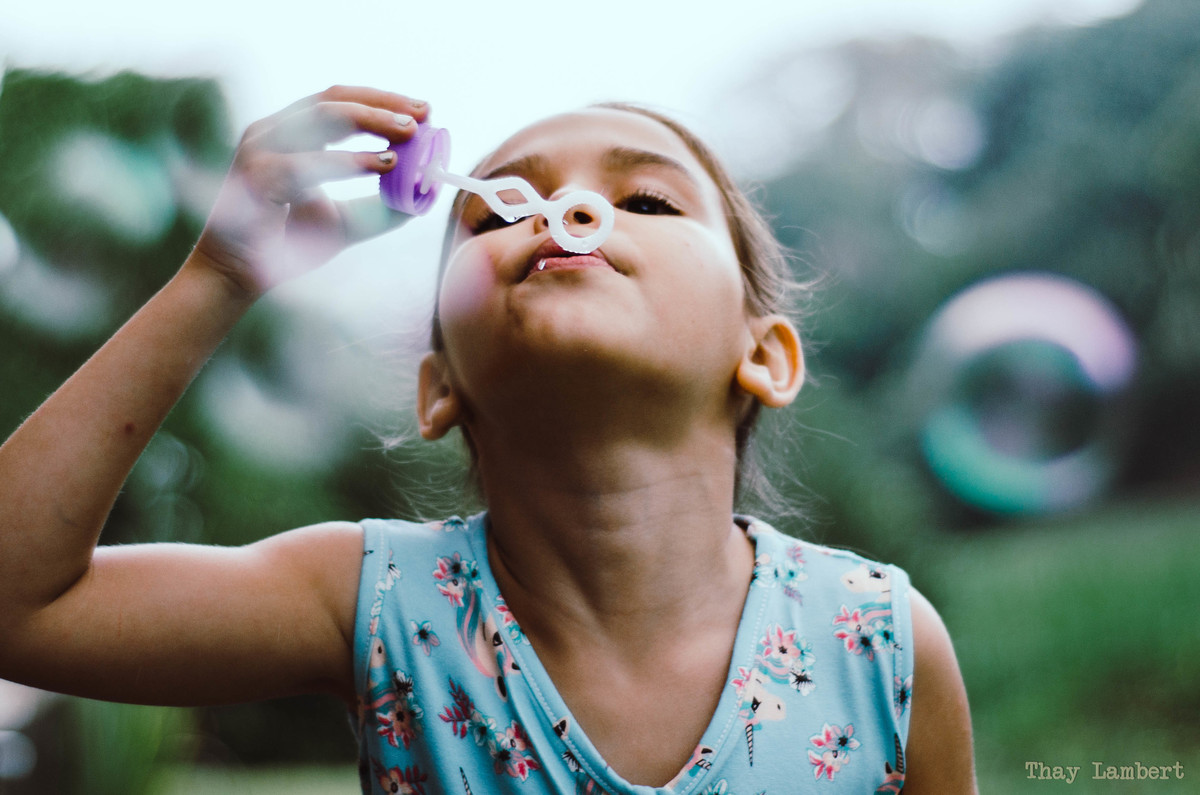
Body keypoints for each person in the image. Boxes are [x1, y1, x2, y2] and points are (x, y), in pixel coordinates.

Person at [0, 85, 977, 793]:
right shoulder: (374, 604)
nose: (568, 212)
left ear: (762, 354)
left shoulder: (884, 645)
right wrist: (221, 274)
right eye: (491, 211)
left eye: (645, 201)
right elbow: (18, 604)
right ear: (439, 391)